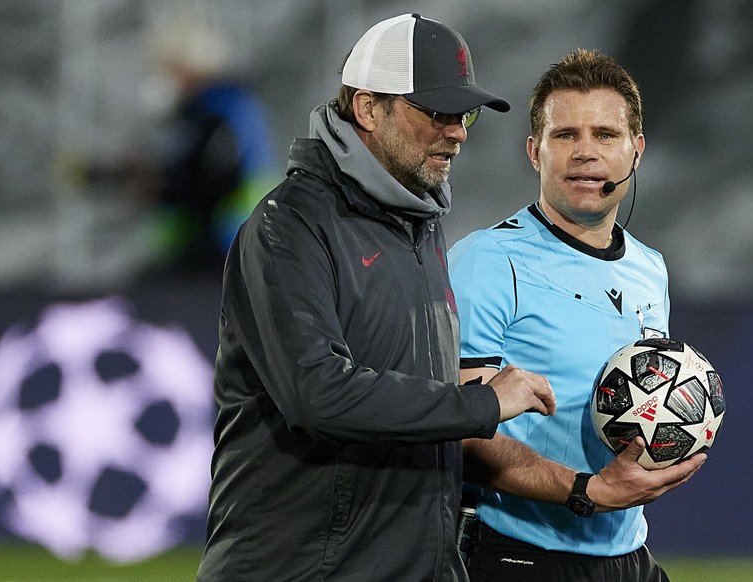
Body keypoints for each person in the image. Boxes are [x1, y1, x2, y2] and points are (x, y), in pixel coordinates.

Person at [196, 14, 556, 581]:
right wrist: (481, 406)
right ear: (367, 108)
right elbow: (318, 392)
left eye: (462, 116)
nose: (458, 131)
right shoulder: (288, 226)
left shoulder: (420, 222)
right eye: (436, 112)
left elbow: (395, 379)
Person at [448, 49, 706, 581]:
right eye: (564, 135)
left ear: (636, 151)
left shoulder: (649, 269)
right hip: (519, 556)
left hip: (630, 556)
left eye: (605, 135)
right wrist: (588, 491)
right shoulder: (485, 263)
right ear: (534, 152)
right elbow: (458, 433)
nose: (585, 153)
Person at [141, 20, 280, 274]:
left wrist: (158, 186)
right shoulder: (217, 109)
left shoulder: (218, 112)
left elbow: (209, 181)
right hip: (226, 250)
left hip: (224, 250)